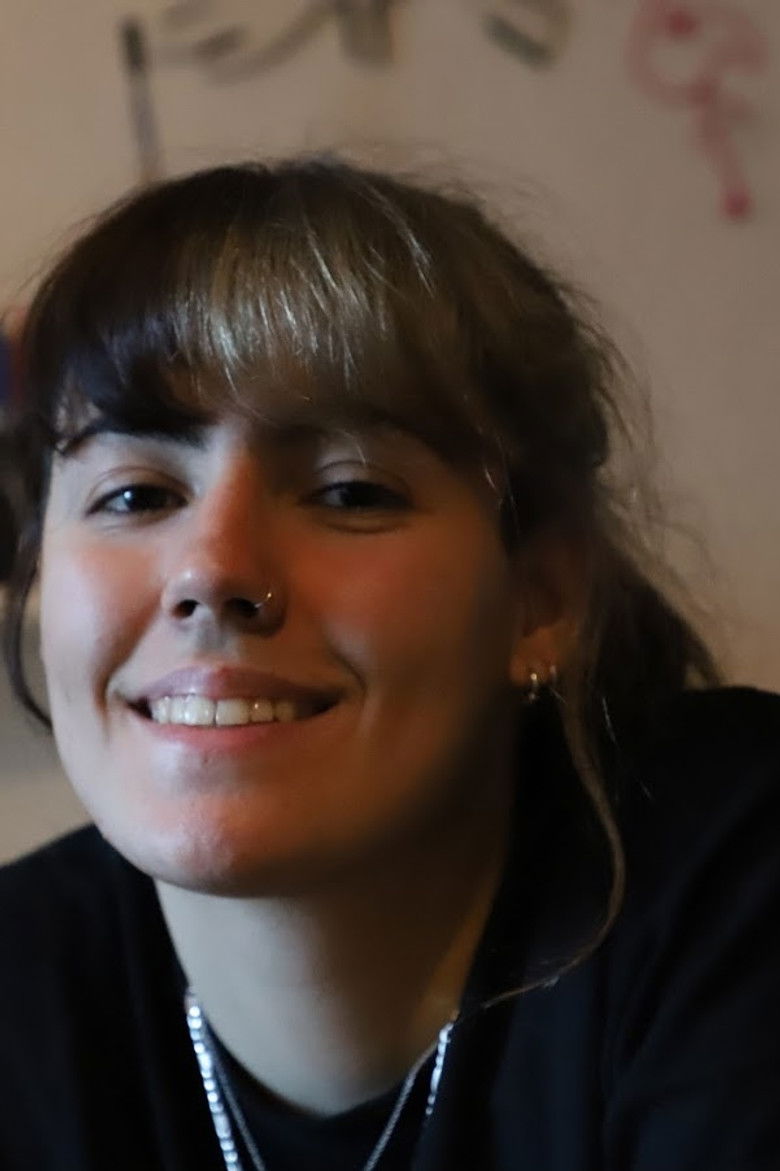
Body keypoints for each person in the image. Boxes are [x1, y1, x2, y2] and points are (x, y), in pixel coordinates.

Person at [1, 157, 778, 1171]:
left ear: (540, 599)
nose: (213, 570)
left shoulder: (736, 871)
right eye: (136, 495)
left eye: (350, 492)